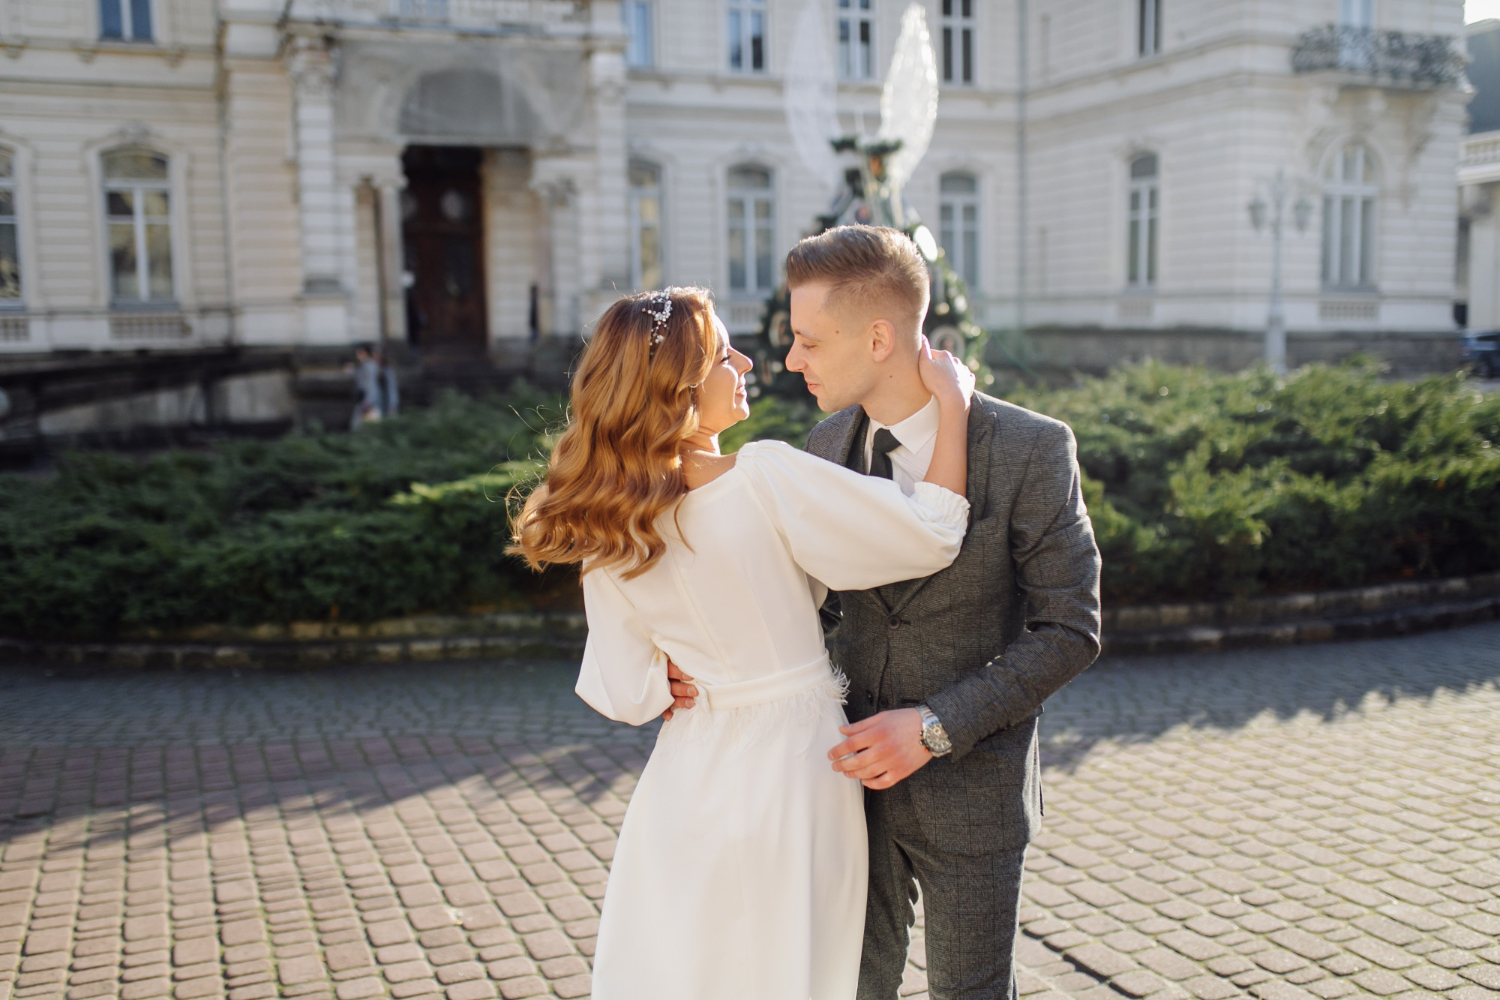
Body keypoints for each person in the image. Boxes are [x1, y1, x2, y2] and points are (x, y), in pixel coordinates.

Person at [669, 226, 1102, 1000]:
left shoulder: (1034, 448)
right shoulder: (823, 442)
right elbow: (792, 594)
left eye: (806, 340)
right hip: (838, 790)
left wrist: (936, 725)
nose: (792, 360)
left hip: (975, 793)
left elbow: (1071, 629)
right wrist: (690, 660)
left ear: (877, 337)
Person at [510, 286, 976, 1000]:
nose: (749, 361)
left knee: (694, 972)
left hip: (688, 778)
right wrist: (955, 403)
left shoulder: (609, 530)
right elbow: (935, 532)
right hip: (797, 770)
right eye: (728, 353)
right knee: (792, 969)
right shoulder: (763, 476)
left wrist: (673, 671)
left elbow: (621, 687)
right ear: (683, 388)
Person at [348, 344, 382, 429]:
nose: (358, 355)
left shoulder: (369, 365)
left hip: (367, 399)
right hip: (364, 398)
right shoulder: (364, 365)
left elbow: (369, 384)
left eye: (360, 353)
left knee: (363, 423)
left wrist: (368, 400)